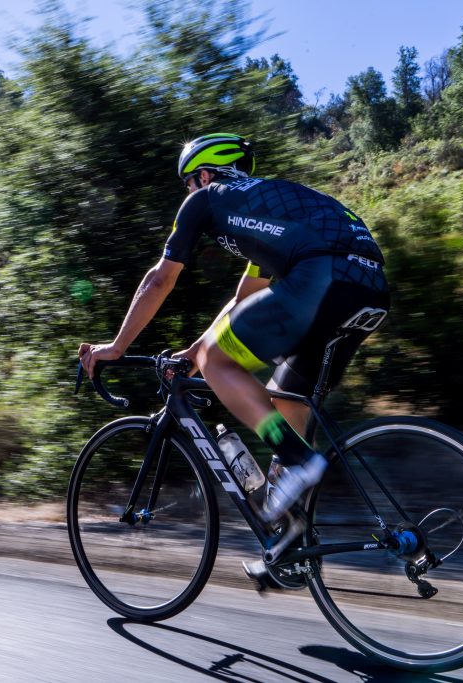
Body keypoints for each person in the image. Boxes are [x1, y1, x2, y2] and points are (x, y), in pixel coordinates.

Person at [78, 133, 389, 583]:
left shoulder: (205, 200)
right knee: (286, 399)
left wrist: (117, 346)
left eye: (189, 183)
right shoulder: (271, 209)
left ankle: (301, 464)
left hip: (321, 278)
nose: (189, 192)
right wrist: (195, 350)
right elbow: (245, 297)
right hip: (368, 287)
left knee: (221, 366)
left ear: (203, 175)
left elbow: (158, 281)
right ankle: (292, 546)